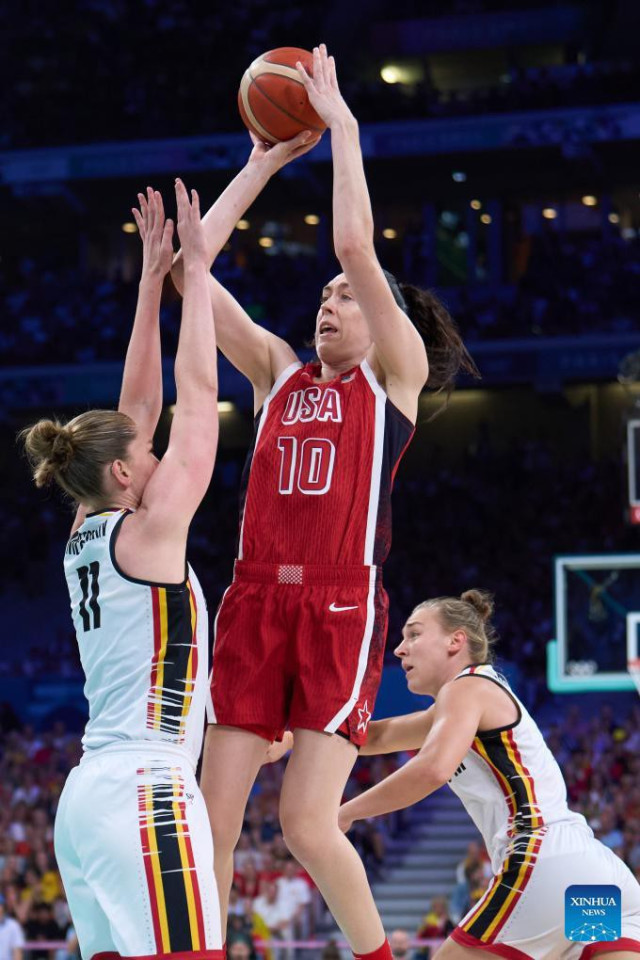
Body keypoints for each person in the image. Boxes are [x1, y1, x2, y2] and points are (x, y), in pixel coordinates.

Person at [171, 45, 477, 960]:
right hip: (254, 597)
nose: (331, 303)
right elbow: (193, 273)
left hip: (342, 602)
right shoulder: (274, 372)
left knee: (307, 823)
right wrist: (260, 163)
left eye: (349, 299)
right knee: (210, 826)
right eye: (325, 298)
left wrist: (342, 125)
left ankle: (377, 956)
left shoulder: (395, 378)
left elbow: (353, 244)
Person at [20, 182, 223, 959]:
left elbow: (138, 405)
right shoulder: (150, 532)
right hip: (147, 793)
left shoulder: (86, 524)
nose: (158, 450)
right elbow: (197, 400)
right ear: (126, 478)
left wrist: (148, 288)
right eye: (149, 453)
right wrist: (194, 274)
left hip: (90, 801)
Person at [338, 590, 640, 959]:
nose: (400, 649)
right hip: (592, 875)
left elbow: (432, 769)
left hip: (540, 858)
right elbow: (378, 735)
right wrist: (293, 737)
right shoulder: (469, 698)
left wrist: (346, 812)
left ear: (456, 641)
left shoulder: (467, 687)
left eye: (414, 634)